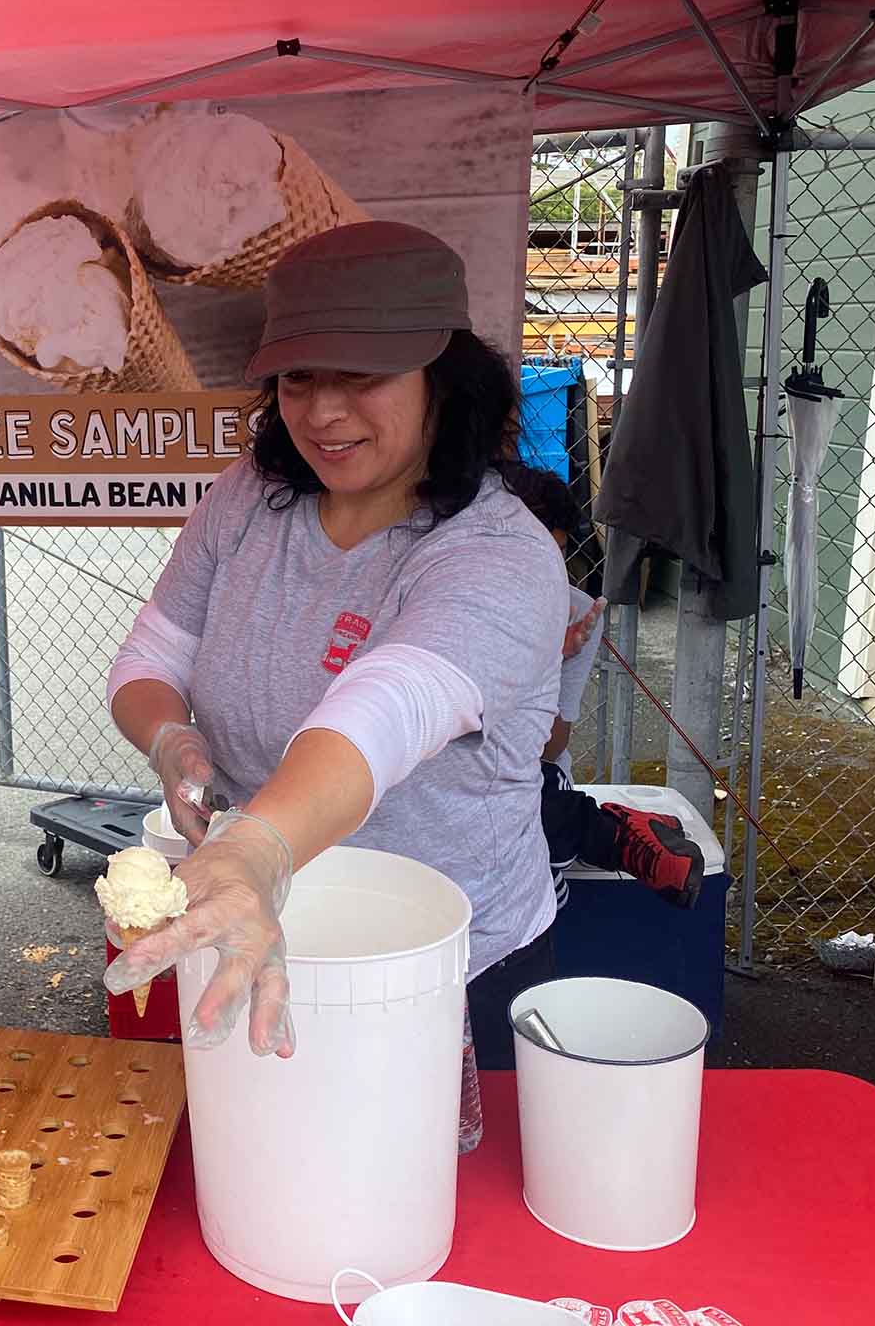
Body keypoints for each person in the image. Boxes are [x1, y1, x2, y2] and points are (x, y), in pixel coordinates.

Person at [104, 221, 567, 1073]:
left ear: (445, 379)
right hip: (263, 937)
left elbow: (383, 709)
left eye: (362, 377)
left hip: (448, 969)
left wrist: (251, 846)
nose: (322, 411)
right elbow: (149, 659)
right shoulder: (249, 500)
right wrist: (172, 741)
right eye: (299, 378)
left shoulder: (498, 553)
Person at [498, 462, 701, 910]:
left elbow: (547, 748)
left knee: (532, 799)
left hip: (531, 770)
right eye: (528, 557)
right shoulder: (449, 603)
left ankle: (612, 839)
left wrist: (545, 659)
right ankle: (614, 834)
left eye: (556, 557)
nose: (546, 576)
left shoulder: (574, 611)